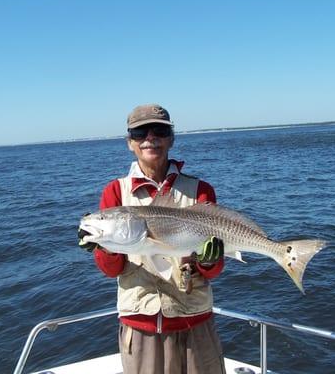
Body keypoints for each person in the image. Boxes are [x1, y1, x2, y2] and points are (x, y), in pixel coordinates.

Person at [79, 104, 226, 374]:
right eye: (139, 132)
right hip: (141, 326)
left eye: (159, 130)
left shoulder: (200, 190)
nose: (150, 138)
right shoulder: (115, 192)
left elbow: (213, 271)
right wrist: (104, 246)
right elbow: (112, 270)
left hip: (195, 321)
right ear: (129, 143)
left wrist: (210, 260)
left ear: (171, 138)